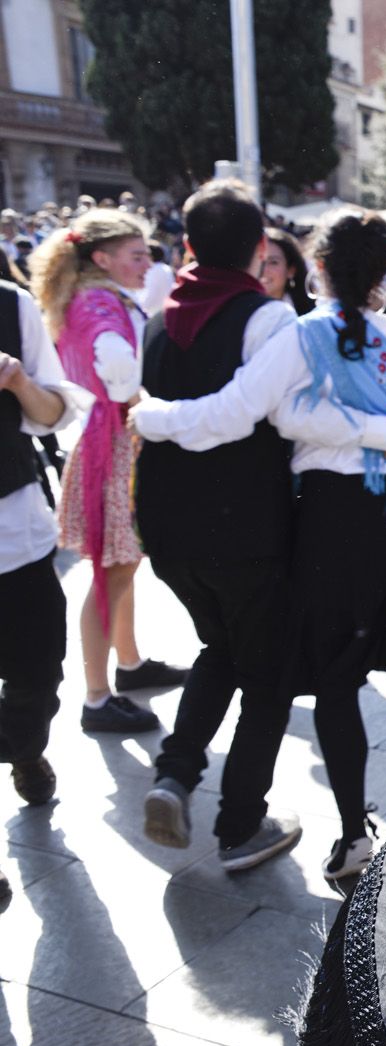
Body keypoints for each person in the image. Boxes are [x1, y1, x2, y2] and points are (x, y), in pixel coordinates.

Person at [132, 210, 386, 881]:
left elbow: (265, 412)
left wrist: (150, 415)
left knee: (334, 683)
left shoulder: (304, 334)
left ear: (315, 265)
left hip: (339, 517)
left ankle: (354, 834)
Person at [136, 180, 355, 871]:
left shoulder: (155, 316)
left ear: (188, 244)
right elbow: (288, 419)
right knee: (267, 674)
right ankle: (240, 824)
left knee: (221, 646)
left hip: (167, 530)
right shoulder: (268, 322)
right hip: (244, 529)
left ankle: (174, 773)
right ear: (261, 247)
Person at [30, 209, 185, 734]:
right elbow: (119, 376)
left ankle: (130, 665)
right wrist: (147, 401)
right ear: (102, 258)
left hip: (105, 443)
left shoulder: (91, 297)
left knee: (119, 565)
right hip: (115, 446)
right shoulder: (100, 303)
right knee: (110, 571)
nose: (148, 263)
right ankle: (96, 697)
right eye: (136, 255)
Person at [0, 265, 87, 828]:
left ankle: (23, 745)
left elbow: (55, 411)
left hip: (13, 530)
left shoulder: (11, 306)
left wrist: (17, 381)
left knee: (37, 670)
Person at [262, 227, 315, 315]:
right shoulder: (236, 312)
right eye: (259, 261)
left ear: (291, 270)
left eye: (273, 262)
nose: (263, 270)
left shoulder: (310, 316)